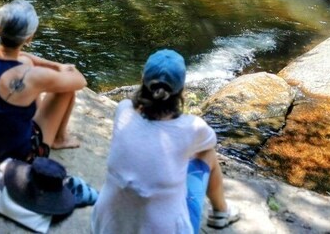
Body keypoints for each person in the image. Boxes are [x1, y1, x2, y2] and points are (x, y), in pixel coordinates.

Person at [92, 49, 239, 233]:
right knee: (207, 154)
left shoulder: (123, 110)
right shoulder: (194, 127)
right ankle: (221, 212)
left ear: (142, 79)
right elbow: (206, 143)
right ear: (182, 89)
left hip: (106, 227)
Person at [0, 0, 87, 169]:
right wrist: (62, 69)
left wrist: (53, 65)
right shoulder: (31, 76)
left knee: (28, 74)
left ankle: (49, 134)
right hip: (19, 160)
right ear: (29, 38)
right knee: (65, 90)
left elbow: (21, 57)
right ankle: (60, 139)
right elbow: (80, 81)